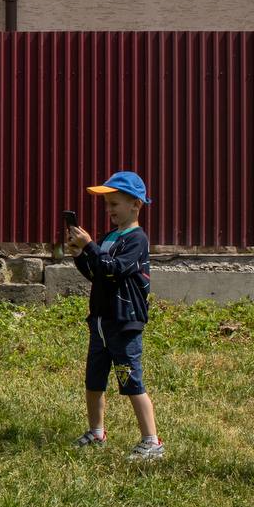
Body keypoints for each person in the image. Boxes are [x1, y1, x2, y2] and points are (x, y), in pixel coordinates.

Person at [66, 171, 164, 461]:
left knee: (130, 380)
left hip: (124, 322)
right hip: (101, 321)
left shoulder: (137, 239)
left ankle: (152, 441)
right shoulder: (110, 237)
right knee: (94, 380)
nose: (109, 210)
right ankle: (96, 432)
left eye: (114, 204)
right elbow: (97, 273)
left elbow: (114, 269)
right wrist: (80, 255)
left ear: (136, 205)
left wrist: (90, 246)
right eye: (107, 204)